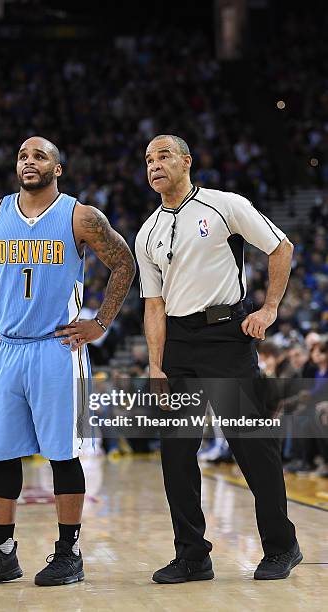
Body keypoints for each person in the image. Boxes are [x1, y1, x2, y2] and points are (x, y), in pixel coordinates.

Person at [0, 136, 135, 588]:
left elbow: (124, 263)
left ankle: (69, 552)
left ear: (57, 169)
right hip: (7, 349)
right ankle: (2, 553)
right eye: (23, 155)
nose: (29, 161)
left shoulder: (80, 216)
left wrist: (102, 323)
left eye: (40, 156)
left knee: (63, 454)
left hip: (59, 349)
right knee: (2, 454)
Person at [135, 134, 301, 583]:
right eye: (149, 159)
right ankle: (192, 556)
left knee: (252, 446)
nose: (155, 165)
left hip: (227, 335)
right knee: (176, 454)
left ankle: (282, 546)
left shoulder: (223, 205)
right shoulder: (146, 232)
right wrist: (155, 364)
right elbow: (153, 305)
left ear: (186, 161)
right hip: (178, 344)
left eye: (164, 155)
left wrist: (268, 309)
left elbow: (281, 247)